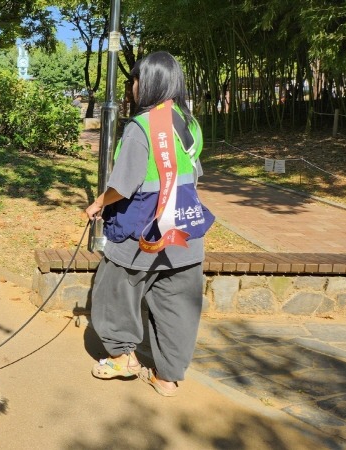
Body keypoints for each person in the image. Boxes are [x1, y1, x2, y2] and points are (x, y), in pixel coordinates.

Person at [84, 51, 214, 397]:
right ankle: (168, 377)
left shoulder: (140, 127)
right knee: (176, 305)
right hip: (184, 229)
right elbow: (195, 174)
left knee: (114, 290)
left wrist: (97, 203)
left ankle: (123, 359)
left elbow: (123, 185)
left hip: (141, 232)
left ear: (150, 82)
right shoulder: (190, 123)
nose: (132, 88)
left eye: (135, 80)